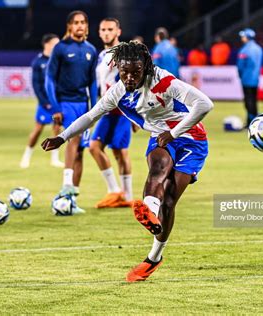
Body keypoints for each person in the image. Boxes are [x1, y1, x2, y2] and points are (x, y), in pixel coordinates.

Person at [41, 41, 213, 282]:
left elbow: (205, 104)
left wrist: (173, 133)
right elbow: (91, 116)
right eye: (124, 72)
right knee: (158, 168)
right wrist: (62, 137)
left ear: (146, 67)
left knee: (170, 200)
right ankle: (149, 212)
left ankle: (154, 257)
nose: (130, 77)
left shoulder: (164, 81)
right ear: (118, 69)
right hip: (161, 139)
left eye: (136, 72)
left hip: (192, 139)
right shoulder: (117, 92)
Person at [45, 10, 98, 213]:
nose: (80, 26)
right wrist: (56, 107)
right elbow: (50, 79)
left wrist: (94, 108)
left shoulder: (90, 50)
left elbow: (92, 81)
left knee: (80, 152)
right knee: (73, 140)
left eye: (83, 22)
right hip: (66, 102)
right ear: (69, 26)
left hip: (83, 105)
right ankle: (66, 184)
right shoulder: (60, 48)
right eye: (76, 22)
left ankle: (71, 200)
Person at [90, 18, 133, 208]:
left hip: (122, 108)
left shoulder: (123, 52)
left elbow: (133, 76)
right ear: (99, 32)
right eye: (103, 29)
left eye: (110, 29)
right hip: (107, 109)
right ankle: (115, 191)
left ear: (118, 31)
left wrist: (136, 112)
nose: (106, 32)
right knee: (94, 147)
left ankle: (128, 196)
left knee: (120, 151)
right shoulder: (101, 55)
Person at [20, 33, 64, 169]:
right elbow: (36, 85)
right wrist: (45, 102)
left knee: (57, 128)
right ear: (47, 44)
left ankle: (54, 158)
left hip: (57, 101)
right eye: (55, 43)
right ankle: (26, 157)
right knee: (38, 129)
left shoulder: (59, 61)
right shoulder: (38, 62)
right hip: (45, 103)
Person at [237, 28, 263, 127]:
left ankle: (251, 122)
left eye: (243, 36)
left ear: (247, 37)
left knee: (248, 101)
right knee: (254, 100)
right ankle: (252, 120)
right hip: (255, 78)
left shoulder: (244, 50)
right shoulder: (258, 48)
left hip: (246, 79)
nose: (242, 38)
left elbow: (240, 66)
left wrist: (240, 75)